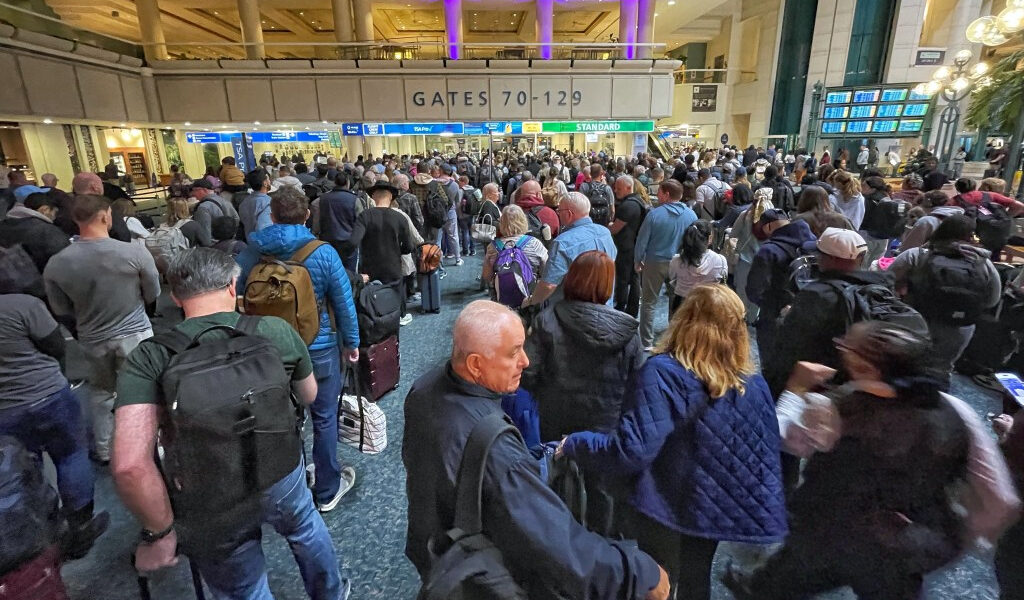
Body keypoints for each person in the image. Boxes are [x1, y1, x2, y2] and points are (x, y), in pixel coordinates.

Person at [112, 248, 350, 599]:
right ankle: (331, 592)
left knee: (242, 582)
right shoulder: (273, 330)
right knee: (304, 526)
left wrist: (160, 533)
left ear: (176, 295)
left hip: (207, 487)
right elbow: (310, 394)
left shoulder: (150, 356)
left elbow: (130, 465)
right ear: (232, 285)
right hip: (279, 464)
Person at [403, 300, 670, 600]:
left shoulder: (421, 390)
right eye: (513, 352)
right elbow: (555, 543)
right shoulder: (497, 448)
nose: (525, 362)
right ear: (476, 364)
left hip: (432, 549)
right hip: (477, 572)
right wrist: (636, 572)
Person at [560, 285, 787, 600]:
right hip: (713, 505)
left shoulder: (663, 374)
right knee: (696, 579)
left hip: (665, 503)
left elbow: (631, 450)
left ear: (685, 319)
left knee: (656, 580)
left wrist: (577, 442)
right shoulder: (753, 382)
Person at [726, 321, 969, 600]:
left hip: (827, 532)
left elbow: (780, 438)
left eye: (846, 345)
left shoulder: (841, 408)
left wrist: (797, 387)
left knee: (777, 585)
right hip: (899, 542)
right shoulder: (954, 411)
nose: (840, 348)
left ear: (867, 365)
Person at [235, 186, 361, 512]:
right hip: (316, 346)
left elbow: (233, 291)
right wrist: (352, 343)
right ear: (307, 215)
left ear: (272, 215)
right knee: (324, 416)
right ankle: (327, 489)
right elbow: (343, 302)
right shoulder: (322, 252)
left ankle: (293, 484)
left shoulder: (254, 250)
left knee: (284, 418)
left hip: (267, 348)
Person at [43, 195, 160, 464]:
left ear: (75, 219)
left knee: (101, 393)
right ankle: (147, 446)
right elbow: (152, 292)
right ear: (106, 216)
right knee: (143, 388)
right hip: (135, 332)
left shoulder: (57, 263)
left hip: (92, 337)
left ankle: (106, 449)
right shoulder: (133, 253)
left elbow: (60, 307)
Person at [0, 292, 109, 559]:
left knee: (24, 469)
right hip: (48, 395)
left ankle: (41, 533)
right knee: (71, 456)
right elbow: (56, 345)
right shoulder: (22, 305)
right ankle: (81, 526)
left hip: (5, 409)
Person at [522, 250, 641, 440]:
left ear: (571, 277)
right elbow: (637, 384)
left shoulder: (546, 320)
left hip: (556, 417)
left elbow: (528, 375)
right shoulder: (628, 330)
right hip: (608, 422)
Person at [766, 227, 886, 396]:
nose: (818, 258)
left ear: (832, 259)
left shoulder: (817, 294)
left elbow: (789, 346)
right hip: (856, 387)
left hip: (815, 385)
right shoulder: (880, 287)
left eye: (821, 254)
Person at [889, 215, 1001, 382]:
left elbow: (886, 282)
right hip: (959, 327)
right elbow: (993, 299)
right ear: (970, 237)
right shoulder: (983, 263)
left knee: (902, 365)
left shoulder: (917, 255)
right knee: (941, 370)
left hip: (915, 319)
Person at [522, 192, 616, 308]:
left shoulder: (562, 242)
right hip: (604, 307)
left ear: (569, 214)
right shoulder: (605, 233)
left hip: (572, 315)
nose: (558, 214)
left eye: (559, 211)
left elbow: (549, 285)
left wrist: (531, 301)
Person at [745, 209, 816, 361]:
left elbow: (754, 290)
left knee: (772, 363)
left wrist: (772, 305)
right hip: (810, 312)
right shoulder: (814, 242)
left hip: (775, 316)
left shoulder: (768, 251)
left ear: (768, 227)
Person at [634, 179, 697, 349]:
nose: (658, 194)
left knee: (649, 302)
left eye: (660, 192)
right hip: (680, 263)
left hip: (654, 262)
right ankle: (673, 337)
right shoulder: (691, 215)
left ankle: (646, 341)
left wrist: (638, 259)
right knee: (676, 300)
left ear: (666, 194)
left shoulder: (654, 215)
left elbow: (642, 240)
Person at [343, 181, 416, 323]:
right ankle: (399, 316)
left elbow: (353, 242)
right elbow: (408, 247)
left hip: (370, 267)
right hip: (392, 267)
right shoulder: (400, 218)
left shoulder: (365, 216)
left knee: (372, 297)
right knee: (395, 294)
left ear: (374, 197)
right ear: (391, 198)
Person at [481, 205, 548, 297]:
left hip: (502, 299)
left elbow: (487, 276)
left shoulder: (492, 247)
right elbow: (546, 271)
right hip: (529, 297)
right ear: (523, 221)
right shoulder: (534, 244)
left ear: (501, 223)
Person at [0, 192, 70, 276]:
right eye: (55, 212)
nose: (54, 217)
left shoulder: (4, 225)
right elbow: (66, 260)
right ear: (45, 210)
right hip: (41, 282)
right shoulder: (47, 231)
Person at [668, 220, 727, 315]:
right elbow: (723, 281)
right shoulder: (720, 260)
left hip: (682, 303)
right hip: (709, 304)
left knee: (681, 328)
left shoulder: (676, 260)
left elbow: (672, 278)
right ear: (710, 238)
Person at [609, 175, 646, 317]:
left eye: (618, 188)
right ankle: (632, 308)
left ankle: (620, 307)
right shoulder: (637, 201)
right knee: (634, 278)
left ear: (629, 188)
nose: (615, 190)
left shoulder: (628, 205)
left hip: (626, 247)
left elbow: (615, 229)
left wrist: (609, 226)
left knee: (623, 279)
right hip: (634, 245)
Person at [318, 171, 360, 272]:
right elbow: (360, 222)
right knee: (349, 274)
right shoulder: (354, 199)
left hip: (328, 241)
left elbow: (319, 219)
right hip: (349, 242)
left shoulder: (323, 198)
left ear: (335, 182)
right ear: (348, 182)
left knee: (331, 272)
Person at [859, 176, 894, 266]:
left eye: (864, 186)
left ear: (872, 189)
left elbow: (864, 217)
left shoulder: (867, 200)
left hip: (867, 235)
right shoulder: (887, 197)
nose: (861, 188)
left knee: (863, 263)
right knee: (875, 262)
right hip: (884, 237)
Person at [238, 168, 272, 241]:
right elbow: (264, 229)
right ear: (265, 183)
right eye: (268, 179)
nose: (270, 181)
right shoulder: (268, 203)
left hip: (249, 243)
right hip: (263, 245)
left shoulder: (244, 202)